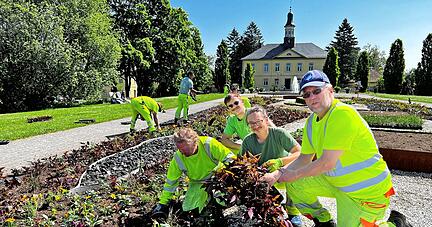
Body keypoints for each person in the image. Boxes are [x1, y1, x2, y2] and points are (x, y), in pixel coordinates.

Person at [261, 70, 412, 227]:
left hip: (365, 191)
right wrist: (278, 173)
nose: (311, 97)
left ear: (330, 90)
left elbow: (327, 163)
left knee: (295, 178)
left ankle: (397, 224)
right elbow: (304, 158)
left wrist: (293, 174)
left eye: (316, 91)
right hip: (336, 183)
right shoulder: (312, 122)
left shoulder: (342, 114)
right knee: (295, 184)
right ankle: (324, 222)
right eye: (306, 94)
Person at [240, 106, 303, 227]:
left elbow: (299, 153)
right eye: (251, 123)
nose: (255, 125)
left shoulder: (279, 134)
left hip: (282, 172)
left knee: (296, 176)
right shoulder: (248, 141)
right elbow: (242, 163)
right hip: (264, 176)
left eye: (258, 121)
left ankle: (293, 212)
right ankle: (273, 210)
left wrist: (279, 161)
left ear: (266, 119)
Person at [152, 127, 235, 217]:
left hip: (219, 178)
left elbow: (230, 159)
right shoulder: (178, 158)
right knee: (190, 209)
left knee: (222, 199)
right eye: (180, 149)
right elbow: (171, 182)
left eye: (186, 149)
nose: (183, 152)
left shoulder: (209, 144)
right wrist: (163, 203)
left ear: (196, 142)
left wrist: (227, 176)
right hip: (198, 183)